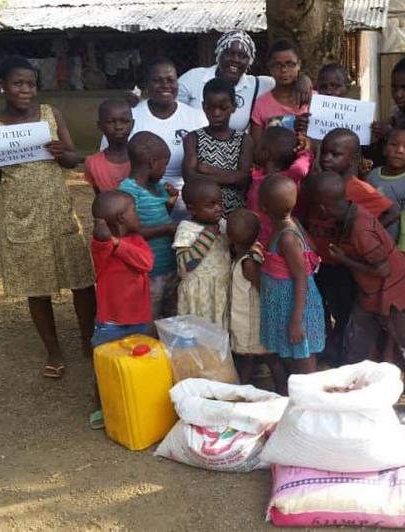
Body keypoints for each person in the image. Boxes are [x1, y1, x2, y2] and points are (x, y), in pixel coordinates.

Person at [0, 55, 95, 380]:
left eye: (31, 84)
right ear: (2, 86)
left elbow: (72, 159)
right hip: (22, 217)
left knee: (82, 280)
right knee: (37, 288)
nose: (25, 90)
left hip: (59, 212)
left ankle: (87, 340)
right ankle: (53, 350)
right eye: (18, 83)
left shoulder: (51, 115)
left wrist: (62, 153)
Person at [308, 171, 405, 425]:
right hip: (371, 293)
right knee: (357, 342)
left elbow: (382, 270)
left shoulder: (360, 228)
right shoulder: (349, 216)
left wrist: (344, 260)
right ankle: (352, 396)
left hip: (395, 292)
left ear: (322, 207)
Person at [305, 128, 397, 365]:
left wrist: (357, 237)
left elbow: (392, 212)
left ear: (354, 159)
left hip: (342, 268)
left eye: (335, 154)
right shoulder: (317, 183)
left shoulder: (359, 189)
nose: (326, 159)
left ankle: (346, 358)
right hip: (316, 264)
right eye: (324, 153)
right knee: (319, 310)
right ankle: (328, 349)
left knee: (344, 313)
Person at [103, 58, 207, 219]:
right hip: (142, 208)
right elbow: (109, 159)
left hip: (191, 207)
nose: (165, 85)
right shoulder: (131, 117)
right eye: (157, 81)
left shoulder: (197, 118)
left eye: (171, 80)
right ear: (147, 85)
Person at [89, 190, 154, 429]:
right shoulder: (101, 246)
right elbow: (100, 244)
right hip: (111, 322)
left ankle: (137, 400)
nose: (138, 215)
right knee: (104, 366)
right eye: (134, 210)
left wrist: (118, 243)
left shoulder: (137, 241)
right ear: (121, 218)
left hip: (139, 319)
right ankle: (102, 405)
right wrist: (108, 239)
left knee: (140, 362)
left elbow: (146, 263)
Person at [179, 31, 313, 133]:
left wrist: (303, 78)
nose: (235, 60)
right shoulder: (194, 78)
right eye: (230, 53)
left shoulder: (258, 85)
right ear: (219, 54)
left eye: (242, 56)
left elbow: (285, 79)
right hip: (192, 151)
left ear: (249, 61)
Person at [259, 174, 325, 375]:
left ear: (263, 207)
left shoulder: (286, 237)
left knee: (304, 362)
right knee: (292, 357)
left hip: (297, 307)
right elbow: (311, 248)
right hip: (286, 304)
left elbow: (301, 277)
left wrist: (296, 321)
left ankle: (312, 402)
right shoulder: (291, 223)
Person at [118, 131, 180, 318]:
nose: (165, 170)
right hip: (148, 272)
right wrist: (168, 229)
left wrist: (171, 201)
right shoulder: (128, 190)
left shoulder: (158, 187)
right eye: (165, 164)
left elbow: (159, 215)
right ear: (152, 162)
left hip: (169, 265)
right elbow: (129, 232)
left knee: (171, 315)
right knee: (149, 316)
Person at [226, 209, 287, 395]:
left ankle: (282, 394)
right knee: (253, 359)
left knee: (268, 359)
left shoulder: (249, 263)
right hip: (251, 321)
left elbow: (263, 289)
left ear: (229, 237)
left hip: (254, 323)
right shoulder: (252, 252)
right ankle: (242, 392)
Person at [183, 78, 254, 214]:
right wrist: (233, 177)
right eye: (210, 107)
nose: (216, 113)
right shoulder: (193, 138)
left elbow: (244, 180)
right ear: (203, 106)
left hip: (236, 217)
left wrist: (207, 169)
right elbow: (189, 177)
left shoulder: (244, 140)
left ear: (233, 106)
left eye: (223, 108)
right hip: (203, 216)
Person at [174, 178, 232, 328]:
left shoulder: (223, 224)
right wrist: (207, 236)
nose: (218, 208)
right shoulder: (186, 229)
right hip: (200, 292)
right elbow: (186, 265)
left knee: (220, 329)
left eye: (220, 202)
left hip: (220, 288)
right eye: (211, 205)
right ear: (192, 209)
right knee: (200, 330)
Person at [249, 126, 313, 245]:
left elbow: (300, 168)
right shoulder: (258, 174)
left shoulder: (286, 178)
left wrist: (306, 151)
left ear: (265, 153)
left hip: (276, 241)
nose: (254, 149)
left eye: (257, 146)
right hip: (256, 239)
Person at [365, 126, 405, 254]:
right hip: (365, 242)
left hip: (389, 249)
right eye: (394, 144)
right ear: (385, 149)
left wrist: (403, 253)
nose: (399, 150)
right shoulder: (373, 175)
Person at [250, 39, 311, 148]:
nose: (284, 70)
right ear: (269, 67)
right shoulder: (261, 105)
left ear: (299, 65)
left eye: (290, 64)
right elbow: (257, 148)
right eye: (277, 65)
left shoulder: (314, 99)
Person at [85, 99, 134, 193]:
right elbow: (99, 197)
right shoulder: (92, 163)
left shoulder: (142, 158)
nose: (118, 127)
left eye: (124, 121)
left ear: (133, 124)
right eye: (110, 122)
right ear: (100, 125)